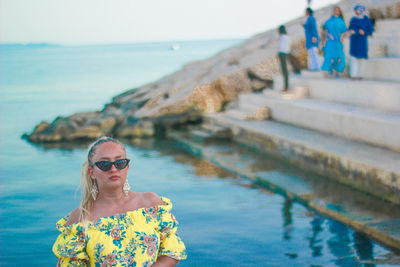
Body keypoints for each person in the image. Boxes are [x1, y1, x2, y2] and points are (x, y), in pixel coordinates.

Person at [52, 137, 187, 266]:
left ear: (127, 167)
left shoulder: (150, 204)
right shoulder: (79, 218)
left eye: (120, 163)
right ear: (91, 172)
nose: (113, 169)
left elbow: (173, 250)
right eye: (104, 164)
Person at [348, 4, 373, 80]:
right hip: (354, 41)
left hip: (362, 41)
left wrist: (364, 32)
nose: (355, 12)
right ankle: (353, 75)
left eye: (356, 10)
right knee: (353, 58)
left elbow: (370, 30)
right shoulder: (353, 19)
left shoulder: (366, 20)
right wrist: (357, 31)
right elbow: (350, 29)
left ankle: (360, 75)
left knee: (361, 58)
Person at [321, 6, 347, 77]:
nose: (336, 12)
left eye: (338, 10)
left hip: (338, 41)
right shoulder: (329, 21)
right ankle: (330, 69)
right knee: (330, 56)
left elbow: (344, 31)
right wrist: (327, 36)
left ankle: (337, 71)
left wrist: (342, 37)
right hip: (330, 41)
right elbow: (324, 30)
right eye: (335, 10)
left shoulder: (341, 21)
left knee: (339, 57)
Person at [277, 25, 290, 92]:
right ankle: (286, 87)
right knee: (285, 71)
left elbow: (281, 46)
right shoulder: (286, 37)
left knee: (284, 71)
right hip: (285, 53)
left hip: (282, 54)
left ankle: (286, 87)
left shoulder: (283, 37)